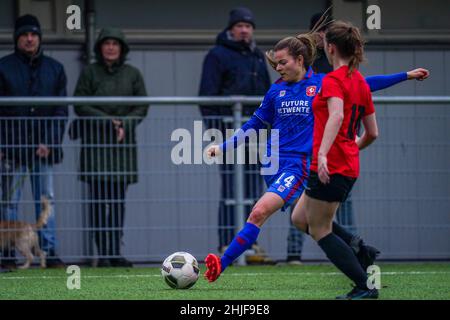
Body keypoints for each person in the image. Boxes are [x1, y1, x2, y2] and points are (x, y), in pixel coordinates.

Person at [203, 18, 429, 282]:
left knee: (259, 212)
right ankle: (360, 249)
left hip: (299, 166)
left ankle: (221, 263)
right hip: (275, 165)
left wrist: (406, 76)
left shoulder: (323, 83)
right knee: (310, 221)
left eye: (283, 62)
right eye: (275, 63)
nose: (278, 67)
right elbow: (254, 123)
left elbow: (365, 84)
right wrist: (224, 146)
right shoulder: (276, 91)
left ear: (300, 60)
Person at [291, 20, 427, 299]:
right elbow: (373, 133)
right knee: (299, 218)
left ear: (330, 48)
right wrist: (351, 147)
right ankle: (359, 248)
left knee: (320, 230)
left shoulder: (332, 80)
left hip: (330, 165)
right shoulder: (359, 83)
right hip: (348, 164)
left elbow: (338, 115)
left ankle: (365, 286)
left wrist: (324, 153)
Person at [199, 7, 273, 264]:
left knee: (253, 190)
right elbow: (206, 97)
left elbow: (267, 95)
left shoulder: (256, 56)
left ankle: (249, 245)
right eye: (240, 25)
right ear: (231, 29)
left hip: (255, 134)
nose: (244, 30)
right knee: (231, 190)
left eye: (249, 26)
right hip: (228, 133)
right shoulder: (217, 55)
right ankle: (225, 244)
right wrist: (216, 132)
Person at [72, 28, 148, 267]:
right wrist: (107, 121)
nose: (111, 47)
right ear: (100, 47)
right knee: (97, 202)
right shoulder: (90, 73)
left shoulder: (132, 74)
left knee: (117, 202)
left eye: (115, 43)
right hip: (96, 146)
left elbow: (142, 106)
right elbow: (79, 104)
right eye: (107, 43)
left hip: (122, 148)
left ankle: (115, 252)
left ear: (122, 48)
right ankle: (102, 253)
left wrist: (125, 122)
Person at [0, 14, 68, 269]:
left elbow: (62, 111)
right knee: (7, 201)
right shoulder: (3, 67)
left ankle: (49, 253)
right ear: (17, 38)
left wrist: (49, 142)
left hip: (43, 150)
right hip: (10, 150)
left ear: (39, 38)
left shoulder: (55, 69)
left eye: (34, 34)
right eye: (24, 34)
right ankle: (7, 255)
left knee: (46, 198)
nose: (29, 39)